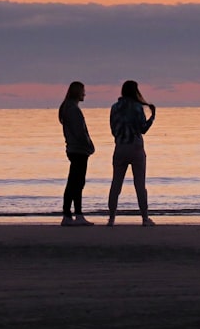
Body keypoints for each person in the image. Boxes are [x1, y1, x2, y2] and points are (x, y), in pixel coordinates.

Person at [107, 80, 157, 226]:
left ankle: (111, 218)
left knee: (116, 183)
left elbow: (112, 129)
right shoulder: (137, 107)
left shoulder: (114, 108)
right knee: (140, 184)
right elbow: (143, 129)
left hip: (120, 147)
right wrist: (152, 116)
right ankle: (145, 218)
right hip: (135, 147)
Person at [58, 81, 96, 226]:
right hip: (78, 150)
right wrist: (89, 145)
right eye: (82, 91)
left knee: (75, 182)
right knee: (76, 183)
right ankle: (72, 214)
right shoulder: (72, 109)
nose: (84, 94)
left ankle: (72, 214)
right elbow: (80, 132)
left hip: (75, 149)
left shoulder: (68, 108)